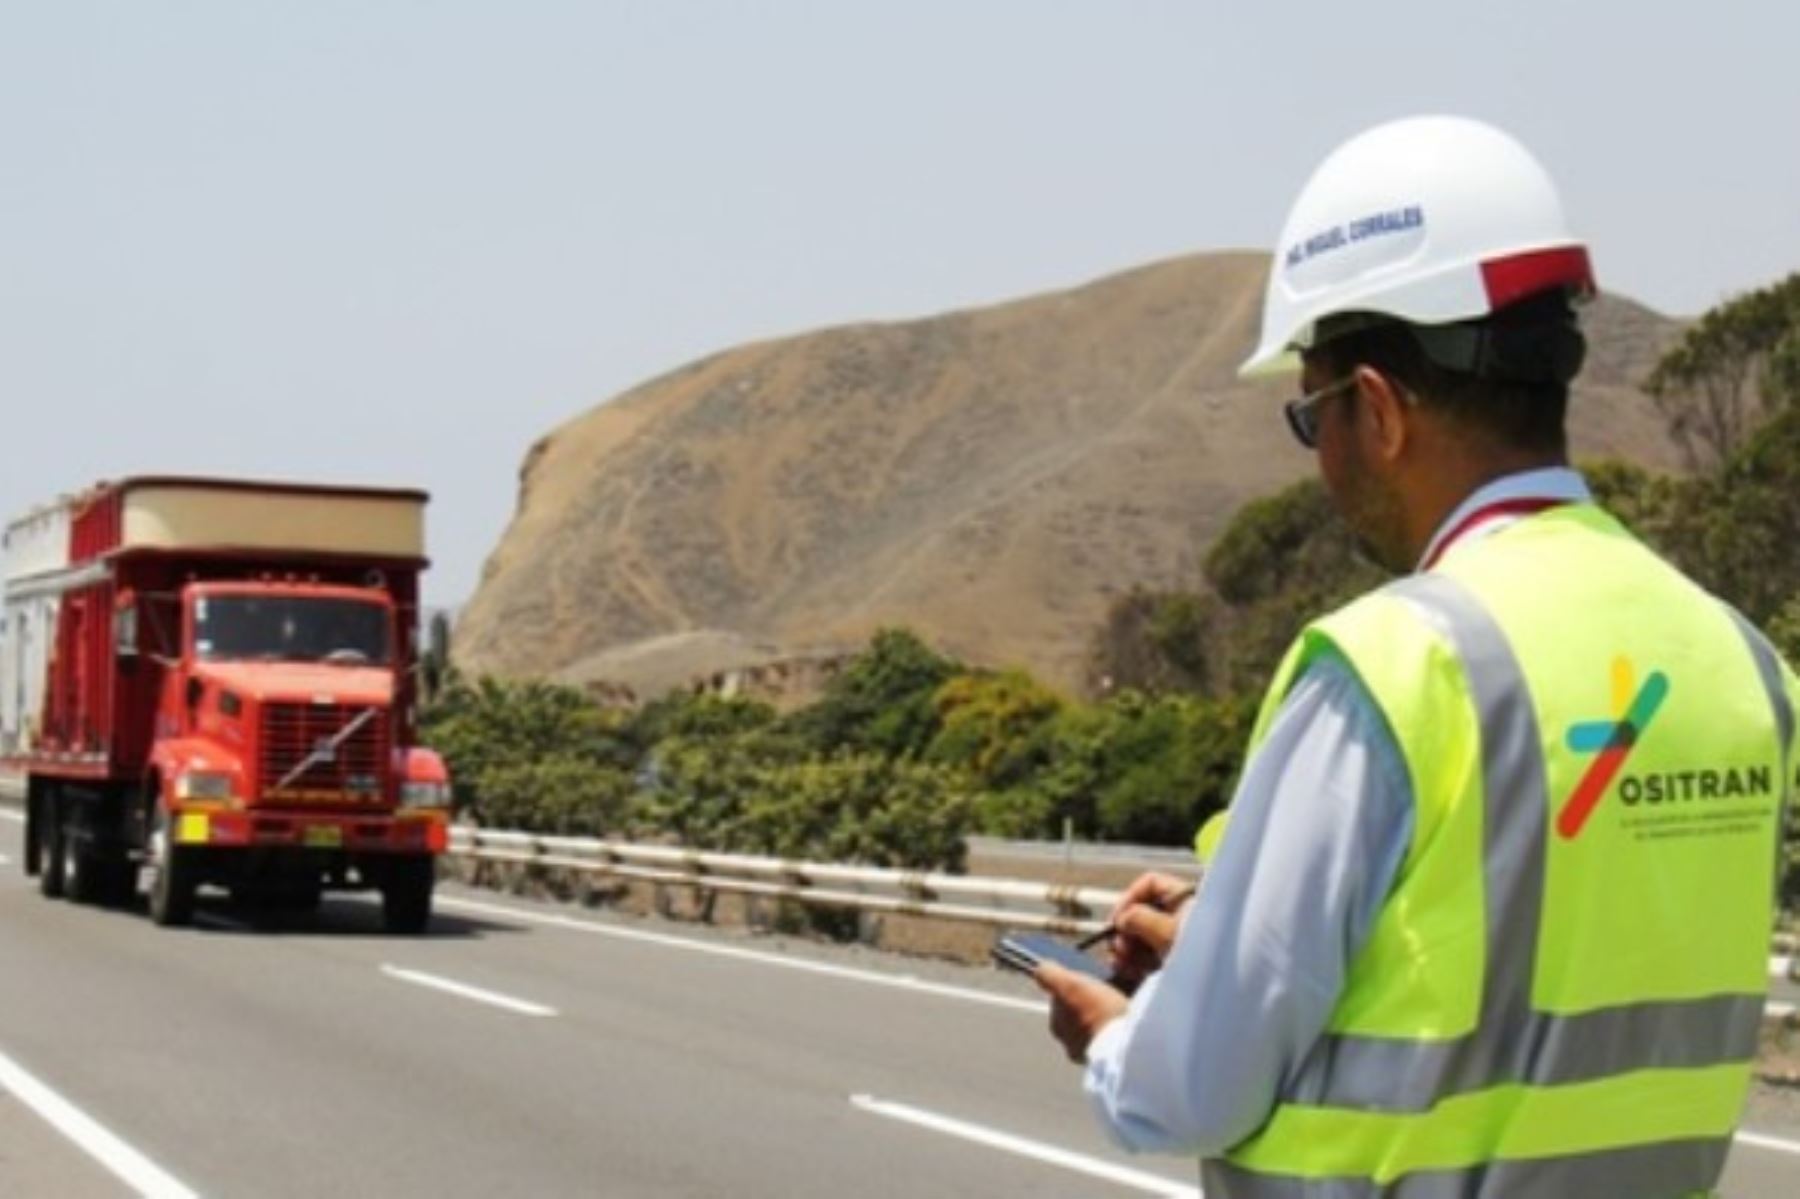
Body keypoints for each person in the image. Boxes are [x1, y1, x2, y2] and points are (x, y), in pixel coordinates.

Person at [1033, 114, 1799, 1197]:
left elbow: (1189, 1090)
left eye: (1313, 417)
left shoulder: (1396, 665)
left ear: (1379, 411)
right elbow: (1540, 939)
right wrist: (1225, 923)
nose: (1323, 460)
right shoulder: (1745, 664)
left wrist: (1120, 1036)